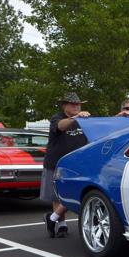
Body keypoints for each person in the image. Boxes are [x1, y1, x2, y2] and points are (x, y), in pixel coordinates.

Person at [40, 92, 90, 238]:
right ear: (64, 106)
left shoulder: (84, 120)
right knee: (57, 196)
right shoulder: (58, 118)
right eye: (73, 104)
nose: (76, 107)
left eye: (78, 104)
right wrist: (76, 117)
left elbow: (102, 125)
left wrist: (120, 116)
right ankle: (62, 225)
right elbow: (60, 126)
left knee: (73, 193)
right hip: (56, 163)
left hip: (77, 164)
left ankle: (52, 219)